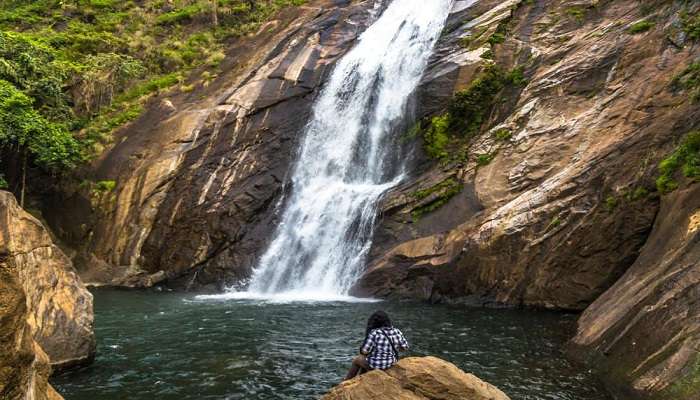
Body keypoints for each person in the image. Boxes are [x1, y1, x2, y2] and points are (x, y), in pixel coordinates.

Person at [344, 310, 409, 380]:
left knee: (358, 360)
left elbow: (364, 351)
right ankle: (362, 377)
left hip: (376, 367)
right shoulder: (397, 331)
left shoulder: (374, 333)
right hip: (390, 364)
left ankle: (346, 381)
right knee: (367, 358)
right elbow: (405, 347)